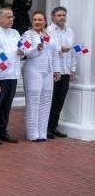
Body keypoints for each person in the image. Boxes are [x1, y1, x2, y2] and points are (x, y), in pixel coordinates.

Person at [21, 11, 61, 142]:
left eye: (40, 19)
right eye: (35, 20)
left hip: (48, 71)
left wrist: (57, 70)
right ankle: (33, 134)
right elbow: (25, 53)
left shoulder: (49, 35)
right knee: (33, 102)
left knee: (46, 102)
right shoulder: (27, 35)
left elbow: (54, 53)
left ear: (45, 21)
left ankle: (42, 133)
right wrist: (37, 48)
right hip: (33, 70)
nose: (37, 22)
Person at [0, 8, 21, 143]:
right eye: (7, 17)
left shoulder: (16, 33)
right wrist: (2, 59)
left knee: (7, 105)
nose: (11, 19)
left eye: (12, 17)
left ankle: (3, 131)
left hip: (13, 73)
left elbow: (20, 48)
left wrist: (21, 52)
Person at [47, 6, 75, 139]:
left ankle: (54, 127)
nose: (62, 17)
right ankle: (46, 129)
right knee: (50, 101)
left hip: (65, 71)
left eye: (64, 15)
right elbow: (47, 49)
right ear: (53, 17)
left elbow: (73, 51)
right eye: (59, 15)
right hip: (53, 71)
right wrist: (60, 49)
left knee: (59, 101)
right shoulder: (48, 31)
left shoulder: (69, 31)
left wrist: (73, 70)